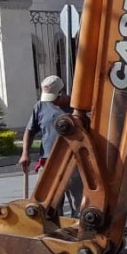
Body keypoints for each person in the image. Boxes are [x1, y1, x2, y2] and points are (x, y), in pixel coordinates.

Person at [19, 75, 83, 217]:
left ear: (62, 91)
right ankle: (54, 233)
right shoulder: (40, 107)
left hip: (73, 162)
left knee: (78, 202)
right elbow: (29, 131)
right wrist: (25, 153)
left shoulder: (76, 107)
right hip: (48, 162)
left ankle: (77, 232)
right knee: (47, 204)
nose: (52, 100)